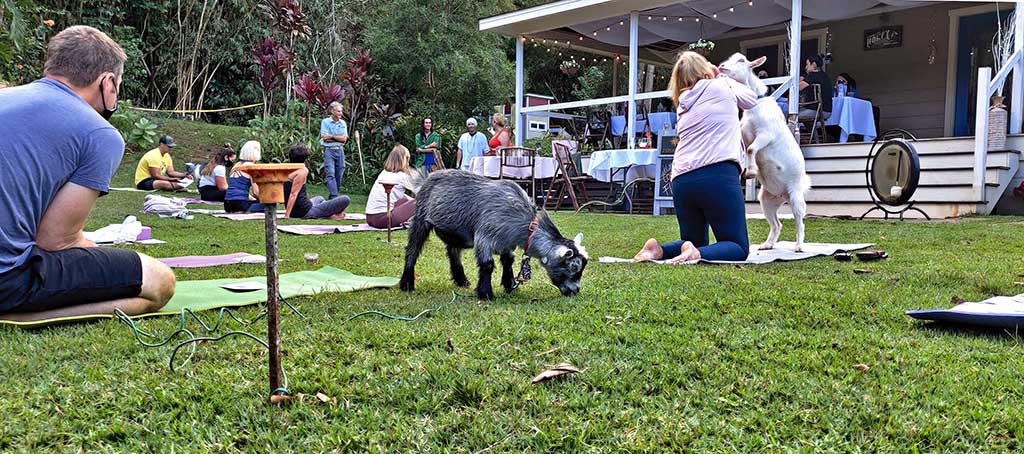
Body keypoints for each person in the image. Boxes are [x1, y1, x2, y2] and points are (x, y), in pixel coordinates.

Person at [0, 25, 174, 322]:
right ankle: (22, 316)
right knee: (161, 281)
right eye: (117, 85)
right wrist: (91, 249)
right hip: (7, 278)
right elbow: (55, 241)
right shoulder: (100, 133)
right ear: (108, 83)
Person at [633, 51, 757, 264]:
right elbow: (751, 99)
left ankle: (658, 250)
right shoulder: (722, 85)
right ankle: (696, 254)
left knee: (691, 240)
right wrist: (719, 75)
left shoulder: (683, 103)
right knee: (737, 246)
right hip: (717, 173)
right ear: (705, 69)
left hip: (682, 180)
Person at [283, 143, 352, 219]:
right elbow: (293, 194)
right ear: (305, 159)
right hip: (304, 212)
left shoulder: (288, 169)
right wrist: (287, 215)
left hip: (300, 208)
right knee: (345, 199)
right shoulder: (302, 171)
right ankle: (331, 215)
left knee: (320, 198)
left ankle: (328, 213)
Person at [366, 144, 416, 229]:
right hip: (383, 220)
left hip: (370, 217)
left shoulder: (384, 173)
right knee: (423, 201)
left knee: (406, 199)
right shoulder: (402, 177)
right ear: (404, 160)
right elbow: (424, 190)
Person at [224, 140, 266, 213]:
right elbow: (256, 192)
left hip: (227, 204)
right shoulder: (252, 168)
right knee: (267, 206)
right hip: (240, 204)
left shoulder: (236, 165)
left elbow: (236, 189)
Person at [320, 101, 349, 200]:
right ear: (332, 111)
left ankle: (334, 194)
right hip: (329, 150)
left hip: (340, 150)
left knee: (340, 172)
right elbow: (324, 137)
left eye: (341, 111)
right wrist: (337, 137)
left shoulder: (343, 123)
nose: (340, 113)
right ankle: (334, 196)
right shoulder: (325, 122)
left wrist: (331, 137)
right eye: (338, 111)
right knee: (330, 173)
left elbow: (344, 139)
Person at [798, 54, 833, 121]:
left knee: (791, 115)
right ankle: (814, 132)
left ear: (814, 64)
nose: (806, 67)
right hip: (827, 110)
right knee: (806, 120)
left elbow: (798, 88)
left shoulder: (813, 75)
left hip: (818, 110)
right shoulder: (824, 75)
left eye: (807, 64)